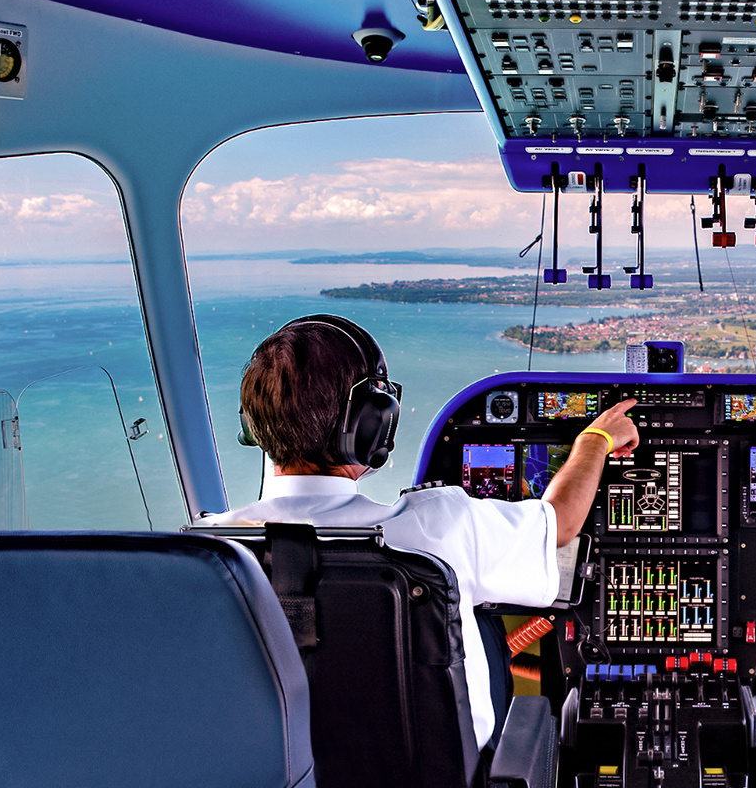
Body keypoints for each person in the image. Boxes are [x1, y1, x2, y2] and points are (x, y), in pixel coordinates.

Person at [198, 314, 638, 750]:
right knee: (483, 629)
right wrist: (594, 440)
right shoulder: (439, 526)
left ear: (252, 426)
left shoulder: (203, 554)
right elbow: (560, 523)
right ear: (373, 424)